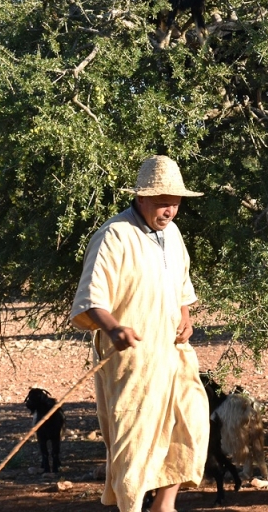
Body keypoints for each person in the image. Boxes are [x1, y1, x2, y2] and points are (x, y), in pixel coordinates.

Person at [70, 155, 210, 512]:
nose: (170, 211)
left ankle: (164, 506)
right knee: (134, 442)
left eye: (175, 203)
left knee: (190, 422)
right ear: (142, 197)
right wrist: (113, 327)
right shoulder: (114, 236)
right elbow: (91, 298)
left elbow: (182, 288)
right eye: (163, 203)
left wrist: (186, 317)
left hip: (173, 353)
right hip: (133, 360)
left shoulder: (173, 234)